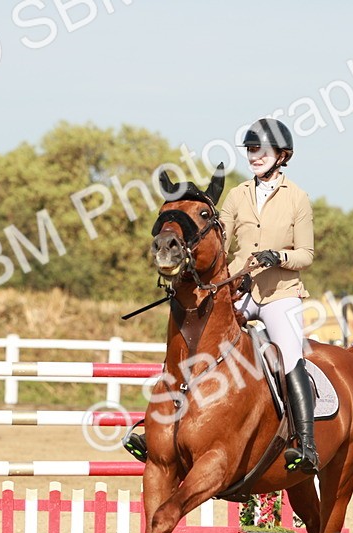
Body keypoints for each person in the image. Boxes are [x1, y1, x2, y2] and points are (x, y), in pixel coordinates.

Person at [126, 117, 319, 474]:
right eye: (250, 150)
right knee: (190, 337)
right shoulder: (236, 195)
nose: (254, 156)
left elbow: (307, 254)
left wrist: (278, 257)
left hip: (280, 294)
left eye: (261, 150)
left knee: (290, 355)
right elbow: (218, 239)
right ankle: (153, 426)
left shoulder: (298, 198)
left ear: (282, 155)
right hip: (240, 291)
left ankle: (305, 443)